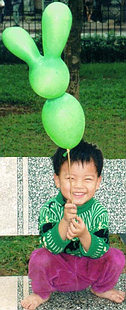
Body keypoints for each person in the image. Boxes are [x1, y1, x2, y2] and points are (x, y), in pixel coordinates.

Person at [21, 140, 125, 310]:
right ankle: (41, 292)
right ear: (57, 180)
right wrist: (64, 223)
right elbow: (49, 246)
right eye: (70, 178)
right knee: (39, 258)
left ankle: (101, 288)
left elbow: (101, 250)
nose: (78, 186)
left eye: (88, 179)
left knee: (116, 256)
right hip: (59, 271)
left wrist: (84, 235)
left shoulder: (99, 212)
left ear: (98, 182)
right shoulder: (50, 209)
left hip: (89, 270)